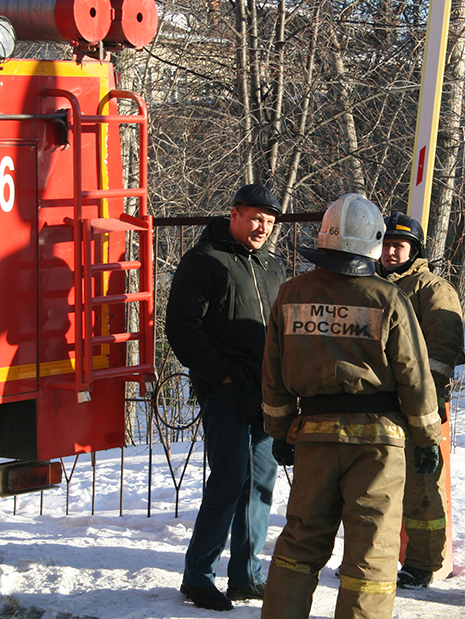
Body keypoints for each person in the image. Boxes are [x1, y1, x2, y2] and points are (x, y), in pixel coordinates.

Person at [259, 193, 443, 619]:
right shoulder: (387, 298)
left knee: (300, 542)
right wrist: (426, 437)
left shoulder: (290, 294)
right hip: (379, 443)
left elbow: (272, 370)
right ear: (375, 244)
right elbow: (413, 376)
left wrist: (280, 429)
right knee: (372, 554)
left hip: (314, 435)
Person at [164, 183, 285, 612]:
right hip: (227, 392)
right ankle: (197, 576)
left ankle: (246, 577)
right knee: (229, 481)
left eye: (269, 222)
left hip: (267, 390)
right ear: (234, 214)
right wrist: (223, 375)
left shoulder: (273, 266)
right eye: (255, 218)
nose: (263, 228)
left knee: (260, 485)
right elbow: (181, 328)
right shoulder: (203, 261)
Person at [377, 212, 464, 590]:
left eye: (400, 245)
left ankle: (423, 563)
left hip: (418, 407)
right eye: (386, 244)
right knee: (377, 486)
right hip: (377, 405)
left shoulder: (433, 289)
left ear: (415, 250)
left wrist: (424, 399)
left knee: (421, 488)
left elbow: (443, 353)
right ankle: (377, 558)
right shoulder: (370, 285)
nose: (391, 252)